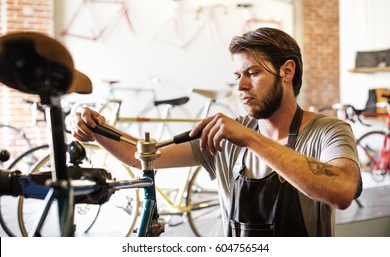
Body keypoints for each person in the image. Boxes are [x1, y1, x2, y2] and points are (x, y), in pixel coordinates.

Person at [72, 27, 362, 237]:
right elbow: (144, 157)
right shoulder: (225, 136)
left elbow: (342, 191)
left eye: (253, 73)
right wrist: (97, 128)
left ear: (287, 71)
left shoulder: (329, 131)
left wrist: (250, 138)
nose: (241, 86)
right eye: (238, 76)